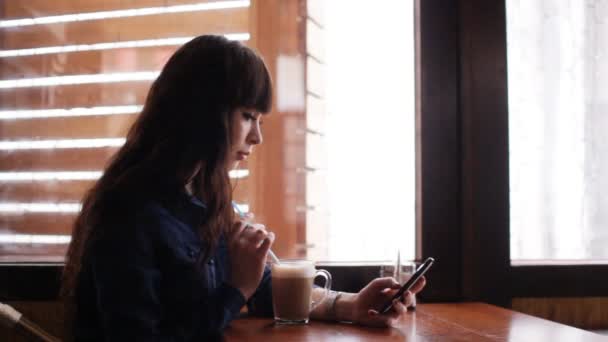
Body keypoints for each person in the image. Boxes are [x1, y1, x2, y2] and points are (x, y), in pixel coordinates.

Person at [61, 35, 426, 341]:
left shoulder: (205, 197)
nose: (258, 136)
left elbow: (267, 290)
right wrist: (235, 290)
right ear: (203, 112)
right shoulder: (128, 215)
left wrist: (351, 305)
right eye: (248, 116)